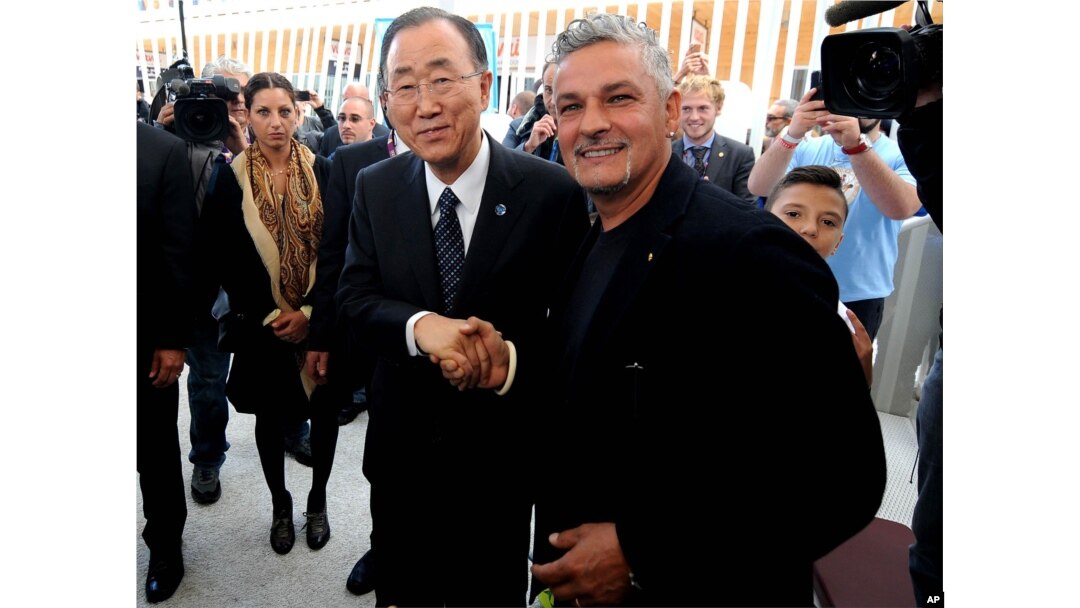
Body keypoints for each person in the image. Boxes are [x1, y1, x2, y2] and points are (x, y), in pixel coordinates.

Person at [441, 13, 886, 606]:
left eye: (619, 98)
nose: (591, 123)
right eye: (570, 106)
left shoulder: (752, 254)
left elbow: (844, 480)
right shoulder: (595, 233)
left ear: (672, 111)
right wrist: (512, 369)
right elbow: (605, 392)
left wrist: (642, 551)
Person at [335, 7, 589, 605]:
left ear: (483, 85)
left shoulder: (551, 193)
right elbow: (354, 297)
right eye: (404, 86)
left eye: (442, 79)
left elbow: (575, 331)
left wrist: (510, 364)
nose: (425, 105)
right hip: (401, 451)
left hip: (500, 457)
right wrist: (421, 327)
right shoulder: (376, 186)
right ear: (387, 102)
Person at [198, 72, 338, 554]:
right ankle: (280, 504)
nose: (275, 122)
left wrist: (310, 313)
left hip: (319, 321)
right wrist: (271, 315)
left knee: (323, 414)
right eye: (264, 112)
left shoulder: (324, 170)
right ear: (247, 116)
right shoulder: (229, 176)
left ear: (298, 115)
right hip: (262, 324)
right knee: (269, 416)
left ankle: (317, 501)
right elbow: (225, 257)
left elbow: (338, 248)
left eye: (284, 111)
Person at [308, 130, 410, 596]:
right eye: (404, 92)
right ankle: (381, 547)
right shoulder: (353, 164)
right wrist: (321, 334)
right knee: (381, 457)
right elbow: (332, 251)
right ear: (387, 99)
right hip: (359, 329)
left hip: (429, 341)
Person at [748, 88, 921, 341]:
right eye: (847, 96)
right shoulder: (807, 147)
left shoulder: (899, 155)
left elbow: (902, 207)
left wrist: (856, 146)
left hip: (858, 296)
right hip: (792, 280)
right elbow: (759, 186)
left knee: (846, 367)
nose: (854, 107)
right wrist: (792, 134)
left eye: (864, 98)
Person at [136, 122, 197, 603]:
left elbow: (180, 253)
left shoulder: (162, 150)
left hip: (143, 335)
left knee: (153, 446)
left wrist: (175, 339)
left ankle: (164, 544)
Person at [764, 165, 874, 385]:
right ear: (762, 219)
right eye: (793, 214)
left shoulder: (841, 323)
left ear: (838, 243)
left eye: (828, 222)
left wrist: (862, 376)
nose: (810, 229)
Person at [672, 74, 756, 203]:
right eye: (686, 109)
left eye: (703, 108)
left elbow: (747, 207)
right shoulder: (665, 153)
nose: (694, 117)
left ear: (718, 108)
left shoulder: (740, 155)